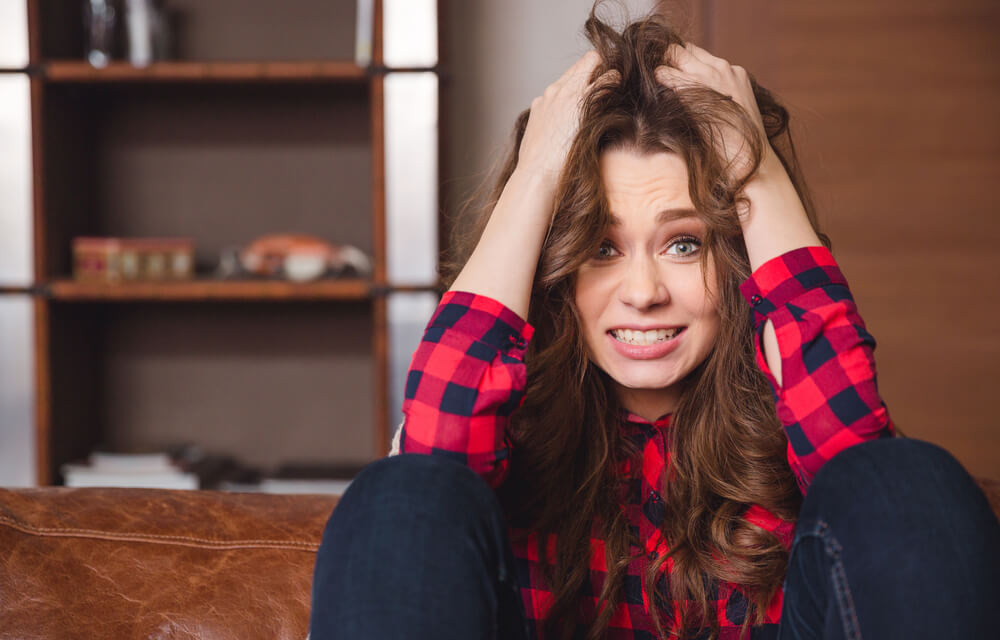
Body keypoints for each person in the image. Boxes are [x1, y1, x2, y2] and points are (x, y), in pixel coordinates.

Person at [310, 8, 1000, 640]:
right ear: (554, 267)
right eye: (600, 248)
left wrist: (753, 170)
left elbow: (855, 449)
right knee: (401, 498)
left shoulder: (790, 419)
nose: (643, 293)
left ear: (733, 259)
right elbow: (433, 462)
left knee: (903, 477)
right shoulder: (508, 423)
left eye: (684, 243)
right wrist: (536, 175)